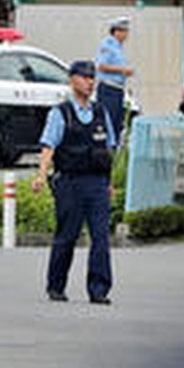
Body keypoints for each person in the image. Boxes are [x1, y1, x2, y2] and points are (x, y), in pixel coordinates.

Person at [32, 59, 117, 304]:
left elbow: (108, 148)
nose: (91, 83)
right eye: (85, 78)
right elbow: (48, 146)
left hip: (97, 183)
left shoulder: (100, 112)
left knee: (100, 238)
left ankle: (98, 289)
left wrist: (109, 183)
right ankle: (56, 286)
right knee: (66, 236)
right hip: (70, 183)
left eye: (93, 78)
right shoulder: (61, 113)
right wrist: (41, 175)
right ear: (72, 80)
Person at [95, 16, 133, 144]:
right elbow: (101, 66)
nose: (126, 35)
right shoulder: (108, 45)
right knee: (108, 123)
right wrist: (122, 70)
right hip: (108, 89)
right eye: (124, 31)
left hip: (117, 90)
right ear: (116, 32)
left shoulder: (118, 47)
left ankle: (115, 152)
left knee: (117, 124)